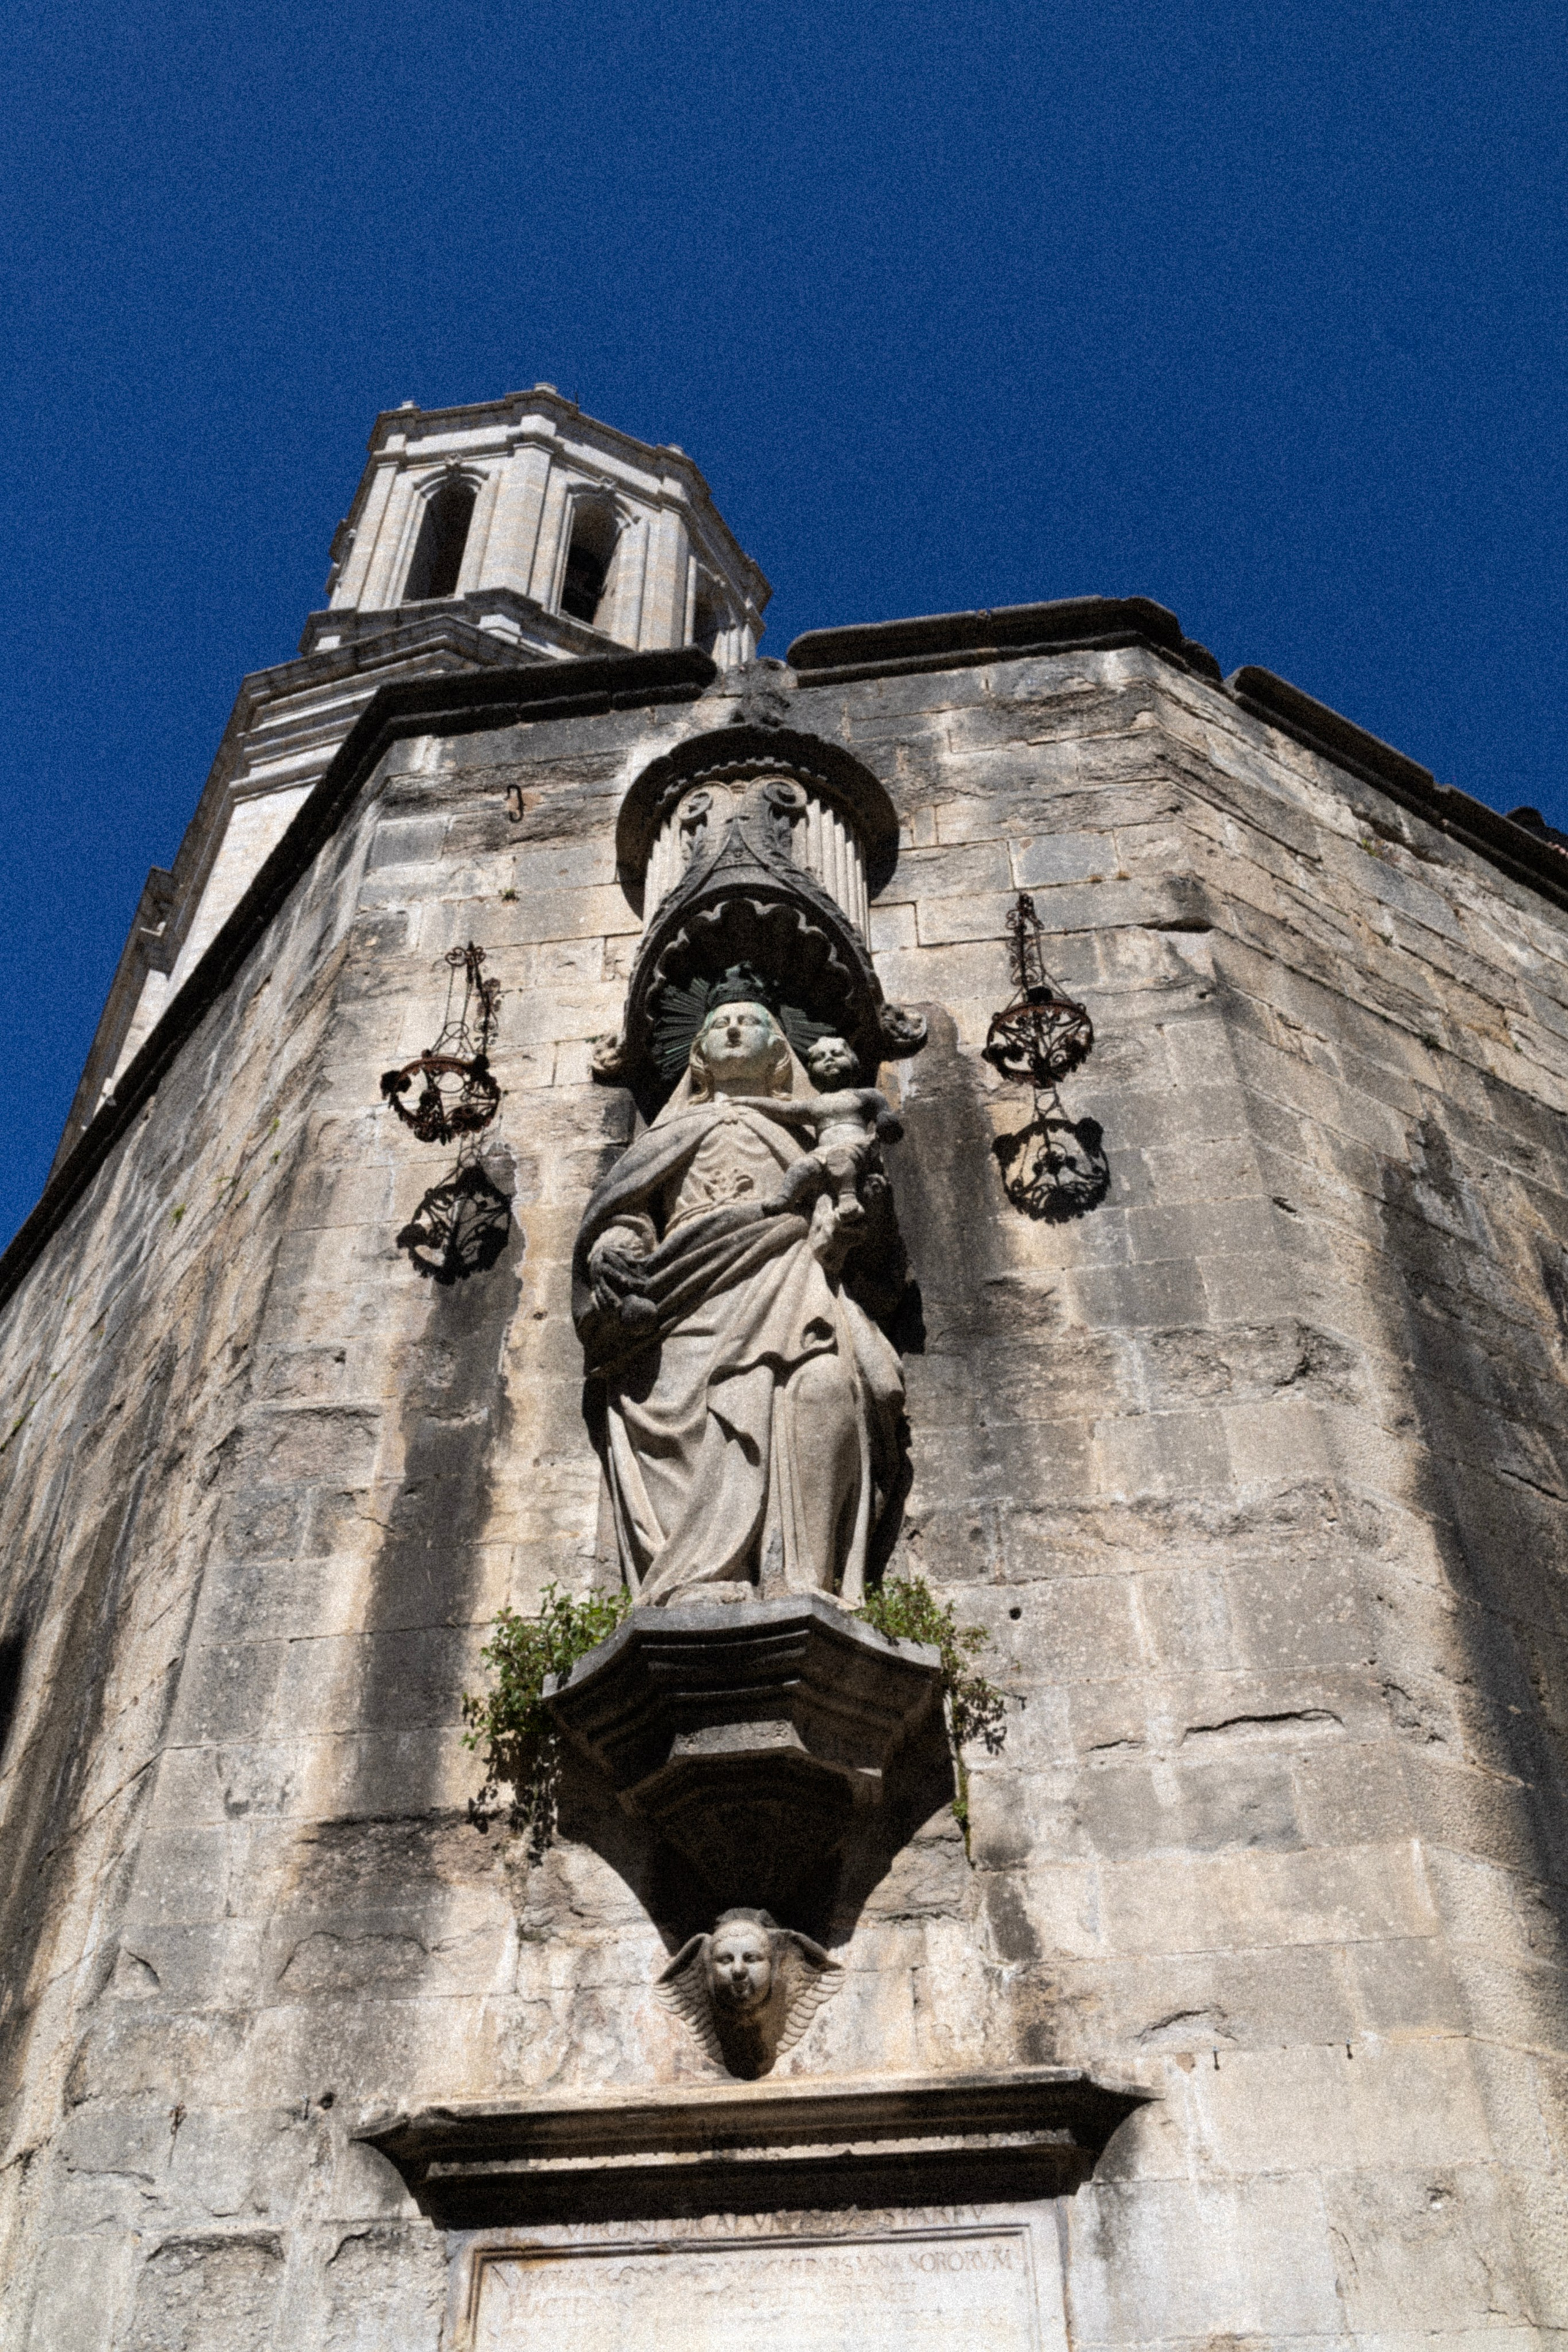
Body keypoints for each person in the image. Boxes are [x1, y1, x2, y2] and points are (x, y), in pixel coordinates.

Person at [572, 991, 905, 1607]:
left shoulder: (807, 1126)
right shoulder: (673, 1130)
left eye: (748, 1022)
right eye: (718, 1025)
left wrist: (857, 1213)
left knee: (826, 1384)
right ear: (697, 1055)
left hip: (789, 1264)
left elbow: (861, 1227)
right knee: (694, 1417)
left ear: (780, 1051)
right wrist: (612, 1247)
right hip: (687, 1289)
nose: (731, 1031)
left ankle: (802, 1578)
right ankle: (698, 1576)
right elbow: (630, 1212)